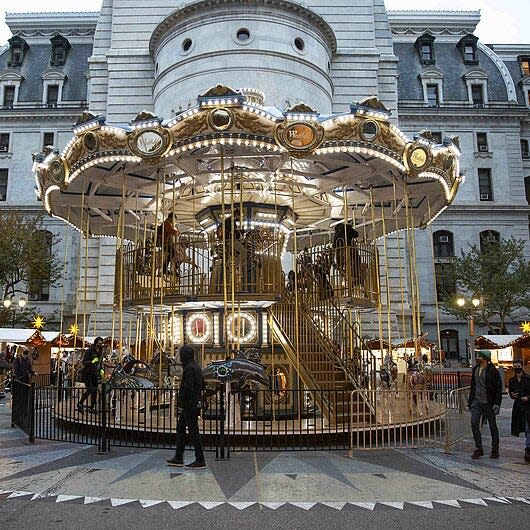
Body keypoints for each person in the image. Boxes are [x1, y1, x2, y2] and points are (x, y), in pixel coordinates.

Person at [167, 344, 206, 469]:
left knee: (193, 431)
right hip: (193, 403)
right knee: (181, 429)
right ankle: (178, 457)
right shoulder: (196, 367)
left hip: (189, 404)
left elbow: (188, 387)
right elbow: (203, 384)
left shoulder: (189, 368)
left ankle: (200, 459)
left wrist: (181, 398)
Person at [467, 349, 503, 459]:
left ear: (484, 358)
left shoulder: (493, 371)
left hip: (489, 403)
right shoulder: (475, 369)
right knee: (474, 423)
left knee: (492, 426)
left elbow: (498, 388)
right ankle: (479, 448)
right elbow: (473, 387)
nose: (477, 357)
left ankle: (495, 449)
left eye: (479, 356)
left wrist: (497, 403)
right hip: (477, 402)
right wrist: (470, 401)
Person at [508, 359, 530, 462]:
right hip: (518, 407)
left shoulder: (528, 379)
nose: (517, 369)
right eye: (515, 367)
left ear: (522, 366)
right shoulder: (512, 380)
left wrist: (528, 398)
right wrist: (513, 395)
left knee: (527, 427)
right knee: (523, 427)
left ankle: (528, 449)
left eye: (518, 366)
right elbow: (511, 393)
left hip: (528, 406)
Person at [77, 337, 104, 413]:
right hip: (87, 373)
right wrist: (91, 362)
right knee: (90, 389)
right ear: (95, 343)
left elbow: (99, 363)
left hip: (94, 373)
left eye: (101, 344)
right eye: (99, 343)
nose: (100, 345)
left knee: (95, 390)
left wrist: (101, 369)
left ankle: (92, 407)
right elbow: (84, 362)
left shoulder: (100, 353)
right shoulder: (89, 351)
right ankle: (80, 403)